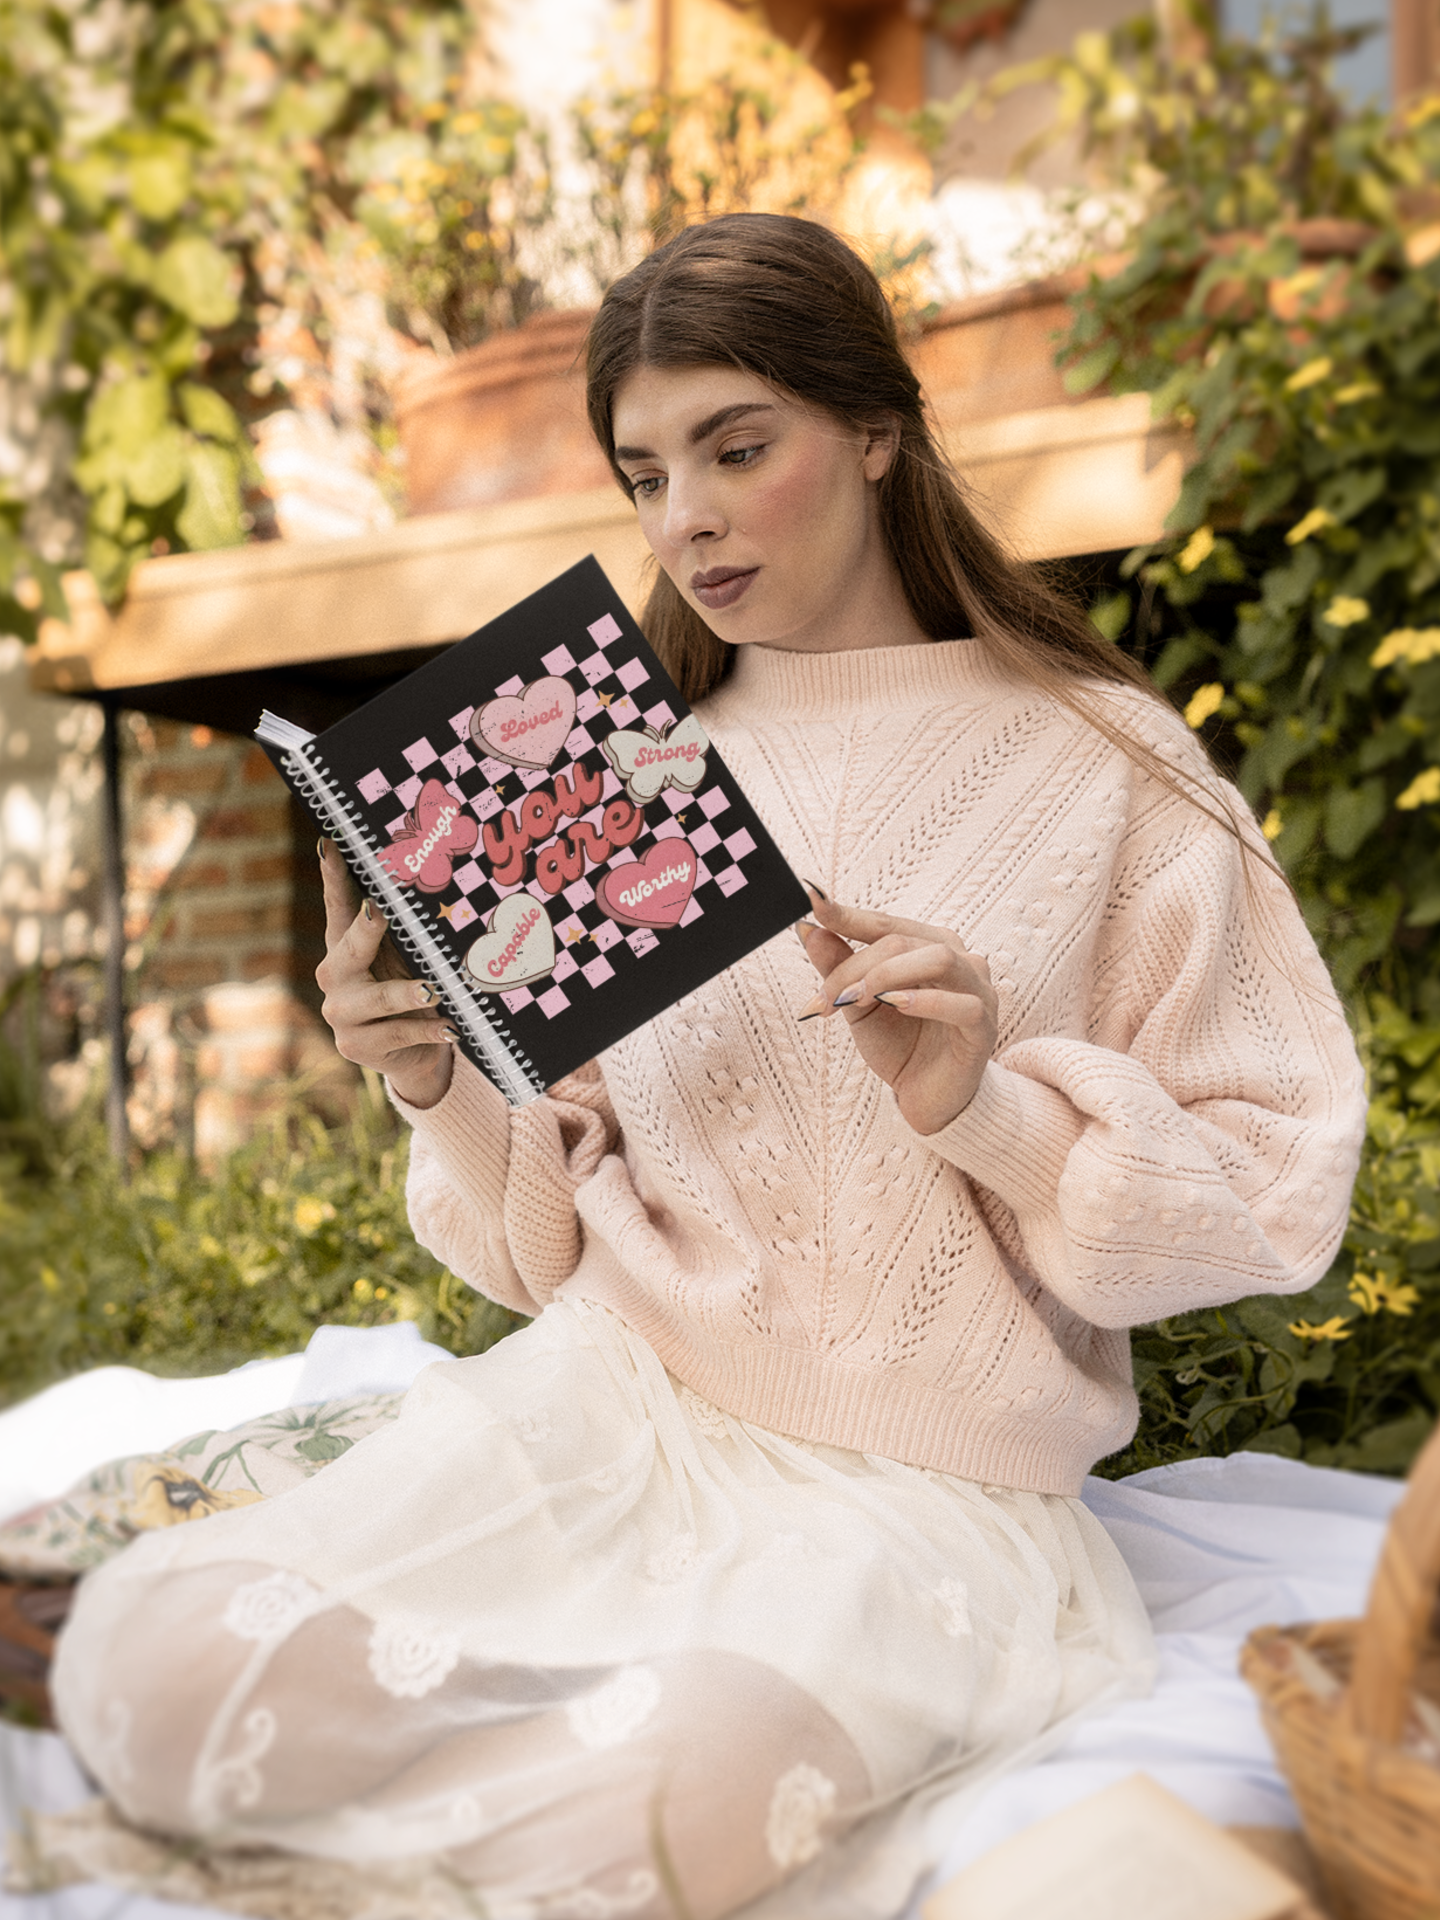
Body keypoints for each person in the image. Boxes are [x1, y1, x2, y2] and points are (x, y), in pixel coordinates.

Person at [52, 214, 1365, 1920]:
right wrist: (437, 1078)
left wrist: (985, 1102)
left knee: (664, 1811)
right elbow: (538, 1253)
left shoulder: (1110, 763)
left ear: (877, 430)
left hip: (922, 1493)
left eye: (740, 449)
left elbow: (1276, 1197)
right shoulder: (607, 771)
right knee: (150, 1671)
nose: (689, 516)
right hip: (615, 1411)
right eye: (646, 472)